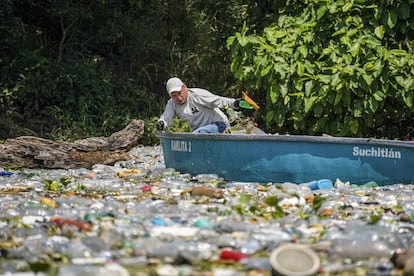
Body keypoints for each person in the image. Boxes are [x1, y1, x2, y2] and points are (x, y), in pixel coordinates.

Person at [156, 77, 250, 133]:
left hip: (220, 125)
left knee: (196, 135)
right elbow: (166, 118)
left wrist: (235, 103)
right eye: (174, 96)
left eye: (180, 93)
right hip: (200, 132)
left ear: (184, 87)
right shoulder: (172, 104)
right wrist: (161, 123)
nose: (178, 98)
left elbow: (218, 100)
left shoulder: (197, 95)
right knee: (196, 134)